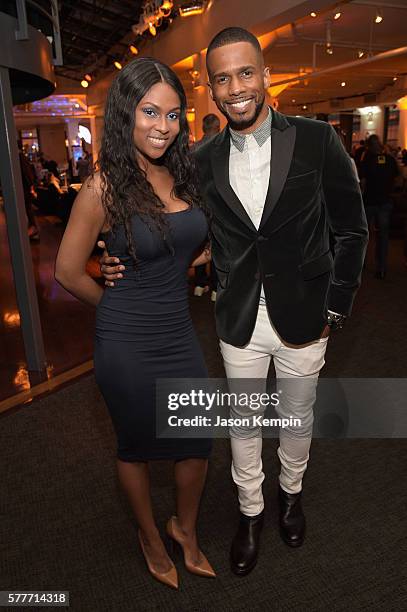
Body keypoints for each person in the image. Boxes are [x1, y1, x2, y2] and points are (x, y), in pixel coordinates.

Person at [100, 27, 368, 576]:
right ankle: (251, 512)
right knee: (244, 425)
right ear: (212, 90)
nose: (236, 87)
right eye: (222, 78)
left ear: (266, 75)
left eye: (246, 73)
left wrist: (335, 308)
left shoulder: (318, 139)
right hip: (239, 318)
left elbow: (352, 229)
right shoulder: (197, 158)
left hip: (306, 314)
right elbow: (185, 230)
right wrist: (119, 262)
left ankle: (291, 496)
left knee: (295, 418)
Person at [55, 57, 216, 589]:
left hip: (176, 331)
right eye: (150, 111)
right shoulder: (102, 188)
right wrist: (114, 302)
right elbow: (67, 271)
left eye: (173, 115)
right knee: (137, 445)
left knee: (196, 440)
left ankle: (184, 528)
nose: (162, 126)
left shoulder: (184, 174)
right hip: (125, 340)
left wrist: (166, 264)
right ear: (127, 113)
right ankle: (150, 536)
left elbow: (195, 247)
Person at [359, 134, 399, 279]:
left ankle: (361, 263)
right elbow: (397, 178)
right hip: (385, 202)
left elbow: (362, 183)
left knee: (364, 234)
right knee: (383, 236)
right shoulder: (389, 160)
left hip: (369, 202)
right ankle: (381, 268)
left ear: (368, 147)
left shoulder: (366, 162)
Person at [193, 114, 221, 299]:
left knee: (199, 243)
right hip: (219, 204)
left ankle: (199, 284)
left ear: (203, 128)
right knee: (218, 245)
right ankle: (216, 288)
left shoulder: (192, 149)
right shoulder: (223, 146)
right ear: (218, 127)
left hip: (197, 203)